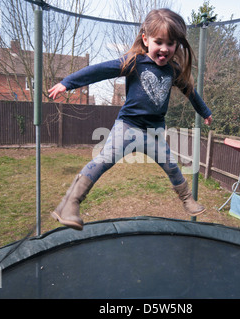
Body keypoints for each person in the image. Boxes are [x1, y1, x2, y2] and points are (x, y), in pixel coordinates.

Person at [48, 8, 213, 230]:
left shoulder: (173, 70)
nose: (165, 49)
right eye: (159, 42)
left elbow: (190, 92)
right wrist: (68, 82)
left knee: (171, 166)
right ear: (146, 40)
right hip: (128, 127)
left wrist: (205, 112)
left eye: (171, 43)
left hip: (154, 132)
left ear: (177, 45)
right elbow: (99, 71)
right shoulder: (133, 61)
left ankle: (187, 200)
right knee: (103, 160)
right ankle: (70, 203)